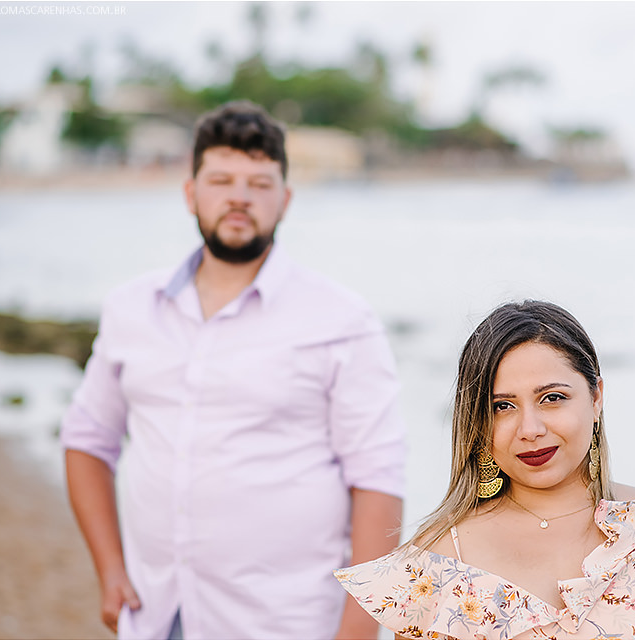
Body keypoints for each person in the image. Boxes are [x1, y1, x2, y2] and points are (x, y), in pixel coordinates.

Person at [61, 100, 405, 640]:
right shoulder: (132, 309)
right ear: (190, 192)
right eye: (221, 179)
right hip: (155, 615)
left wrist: (360, 631)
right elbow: (87, 439)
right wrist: (109, 571)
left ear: (285, 200)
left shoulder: (342, 320)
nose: (240, 196)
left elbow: (378, 480)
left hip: (284, 623)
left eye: (260, 183)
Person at [335, 300, 635, 639]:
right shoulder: (438, 558)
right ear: (477, 421)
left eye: (551, 398)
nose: (530, 429)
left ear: (596, 396)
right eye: (503, 406)